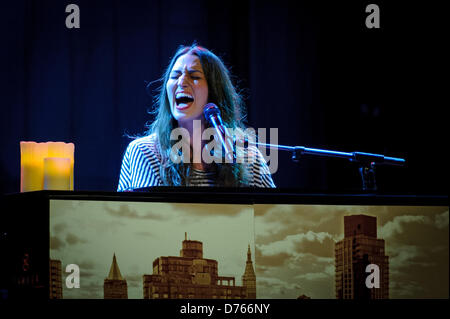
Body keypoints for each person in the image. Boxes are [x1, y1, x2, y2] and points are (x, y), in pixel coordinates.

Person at [117, 44, 275, 191]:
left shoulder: (249, 157)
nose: (181, 82)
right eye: (175, 76)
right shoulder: (146, 151)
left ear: (214, 91)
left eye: (194, 76)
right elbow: (146, 216)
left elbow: (273, 217)